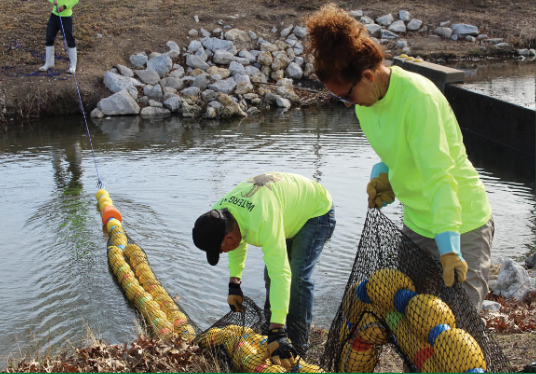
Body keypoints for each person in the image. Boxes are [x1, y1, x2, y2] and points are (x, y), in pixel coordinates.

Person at [305, 4, 493, 312]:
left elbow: (439, 178)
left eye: (345, 96)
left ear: (367, 77)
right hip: (418, 225)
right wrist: (383, 174)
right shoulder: (368, 104)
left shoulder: (419, 100)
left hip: (461, 224)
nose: (345, 105)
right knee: (414, 325)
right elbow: (395, 151)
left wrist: (449, 249)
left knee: (460, 333)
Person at [192, 172, 335, 366]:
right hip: (285, 210)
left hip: (315, 211)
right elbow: (238, 238)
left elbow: (281, 274)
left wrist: (278, 330)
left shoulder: (262, 220)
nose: (223, 253)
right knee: (269, 276)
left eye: (220, 251)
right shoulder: (220, 214)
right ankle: (272, 330)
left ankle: (299, 345)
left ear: (228, 239)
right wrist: (235, 282)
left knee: (297, 277)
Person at [39, 0, 79, 74]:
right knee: (49, 38)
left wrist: (64, 6)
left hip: (66, 17)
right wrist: (53, 1)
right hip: (54, 15)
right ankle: (49, 63)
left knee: (69, 39)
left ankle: (73, 65)